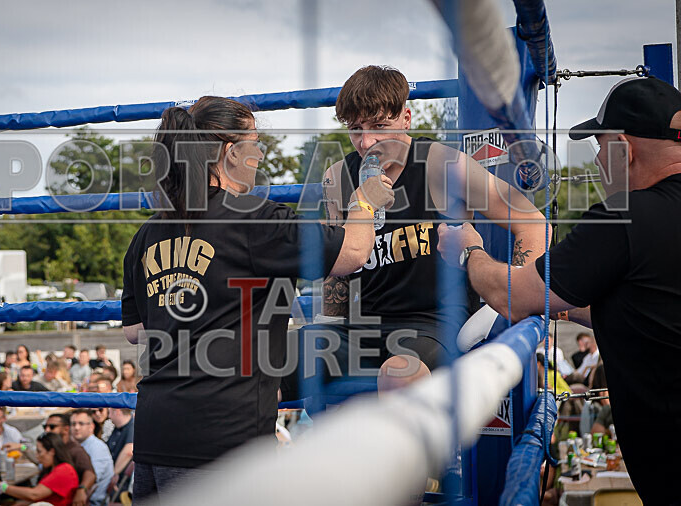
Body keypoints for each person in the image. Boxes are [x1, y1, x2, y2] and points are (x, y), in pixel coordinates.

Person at [121, 95, 391, 500]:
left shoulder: (148, 232)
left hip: (155, 432)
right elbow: (353, 253)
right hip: (222, 443)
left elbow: (134, 330)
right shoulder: (255, 218)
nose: (261, 153)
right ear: (230, 152)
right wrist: (365, 200)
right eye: (255, 141)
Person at [436, 76, 681, 504]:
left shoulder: (625, 219)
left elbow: (518, 294)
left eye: (601, 147)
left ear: (625, 148)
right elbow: (649, 298)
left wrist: (469, 251)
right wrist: (566, 309)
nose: (598, 161)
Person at [281, 66, 548, 401]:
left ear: (406, 118)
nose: (367, 142)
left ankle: (426, 454)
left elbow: (533, 222)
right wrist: (329, 326)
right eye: (356, 129)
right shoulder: (338, 176)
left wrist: (515, 296)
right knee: (265, 360)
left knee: (399, 375)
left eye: (379, 126)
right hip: (363, 329)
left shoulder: (441, 164)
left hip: (434, 325)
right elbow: (340, 274)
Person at [0, 432, 78, 506]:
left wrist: (1, 487)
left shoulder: (64, 470)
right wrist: (21, 447)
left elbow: (34, 494)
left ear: (52, 451)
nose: (37, 456)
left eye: (39, 452)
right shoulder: (53, 468)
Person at [69, 410, 113, 506]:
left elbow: (92, 478)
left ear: (91, 426)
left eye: (81, 424)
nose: (76, 428)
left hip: (91, 501)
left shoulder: (97, 448)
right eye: (73, 424)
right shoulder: (78, 445)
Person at [107, 409, 134, 482]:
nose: (109, 416)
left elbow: (128, 452)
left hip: (122, 481)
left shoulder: (133, 427)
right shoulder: (116, 427)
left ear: (117, 412)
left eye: (109, 412)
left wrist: (113, 474)